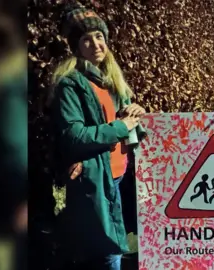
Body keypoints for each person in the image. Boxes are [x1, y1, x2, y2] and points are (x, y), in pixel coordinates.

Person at [50, 4, 146, 270]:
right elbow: (73, 135)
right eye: (86, 39)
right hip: (96, 180)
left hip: (119, 177)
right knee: (107, 250)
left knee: (112, 245)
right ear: (77, 47)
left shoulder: (112, 80)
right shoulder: (70, 83)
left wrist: (135, 114)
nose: (95, 44)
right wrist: (121, 125)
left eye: (99, 37)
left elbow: (129, 128)